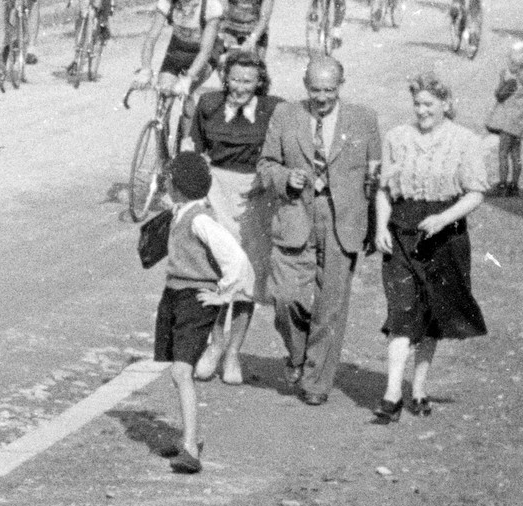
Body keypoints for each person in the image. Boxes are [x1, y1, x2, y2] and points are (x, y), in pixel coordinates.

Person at [255, 52, 383, 406]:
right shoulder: (286, 114)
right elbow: (265, 165)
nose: (322, 98)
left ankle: (316, 382)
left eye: (329, 90)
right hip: (296, 213)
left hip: (343, 219)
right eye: (315, 90)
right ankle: (297, 356)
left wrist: (375, 225)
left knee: (331, 305)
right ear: (304, 86)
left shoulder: (364, 119)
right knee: (284, 296)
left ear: (341, 86)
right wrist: (284, 177)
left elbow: (375, 177)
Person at [374, 74, 491, 421]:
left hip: (445, 235)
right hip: (403, 229)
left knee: (433, 311)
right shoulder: (397, 137)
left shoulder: (465, 140)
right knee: (402, 309)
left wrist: (443, 219)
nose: (422, 110)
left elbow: (475, 192)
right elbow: (383, 188)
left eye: (429, 104)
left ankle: (419, 386)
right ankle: (392, 393)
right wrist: (381, 226)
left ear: (445, 105)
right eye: (418, 104)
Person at [149, 151, 255, 477]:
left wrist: (223, 294)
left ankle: (192, 448)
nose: (166, 181)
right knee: (180, 371)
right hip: (175, 296)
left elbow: (237, 261)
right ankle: (188, 436)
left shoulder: (200, 220)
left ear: (178, 185)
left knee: (181, 373)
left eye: (169, 178)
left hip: (192, 300)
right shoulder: (183, 212)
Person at [187, 48, 278, 382]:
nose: (241, 87)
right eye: (235, 79)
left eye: (249, 81)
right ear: (225, 78)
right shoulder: (209, 104)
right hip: (216, 192)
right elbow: (193, 149)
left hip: (255, 197)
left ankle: (234, 354)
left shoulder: (273, 109)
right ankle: (215, 344)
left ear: (260, 82)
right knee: (214, 271)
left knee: (246, 276)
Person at [485, 38, 523, 195]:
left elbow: (499, 95)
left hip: (508, 124)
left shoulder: (512, 82)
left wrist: (501, 80)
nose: (509, 66)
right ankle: (514, 184)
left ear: (517, 66)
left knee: (502, 154)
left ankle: (502, 184)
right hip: (519, 124)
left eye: (511, 64)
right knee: (516, 155)